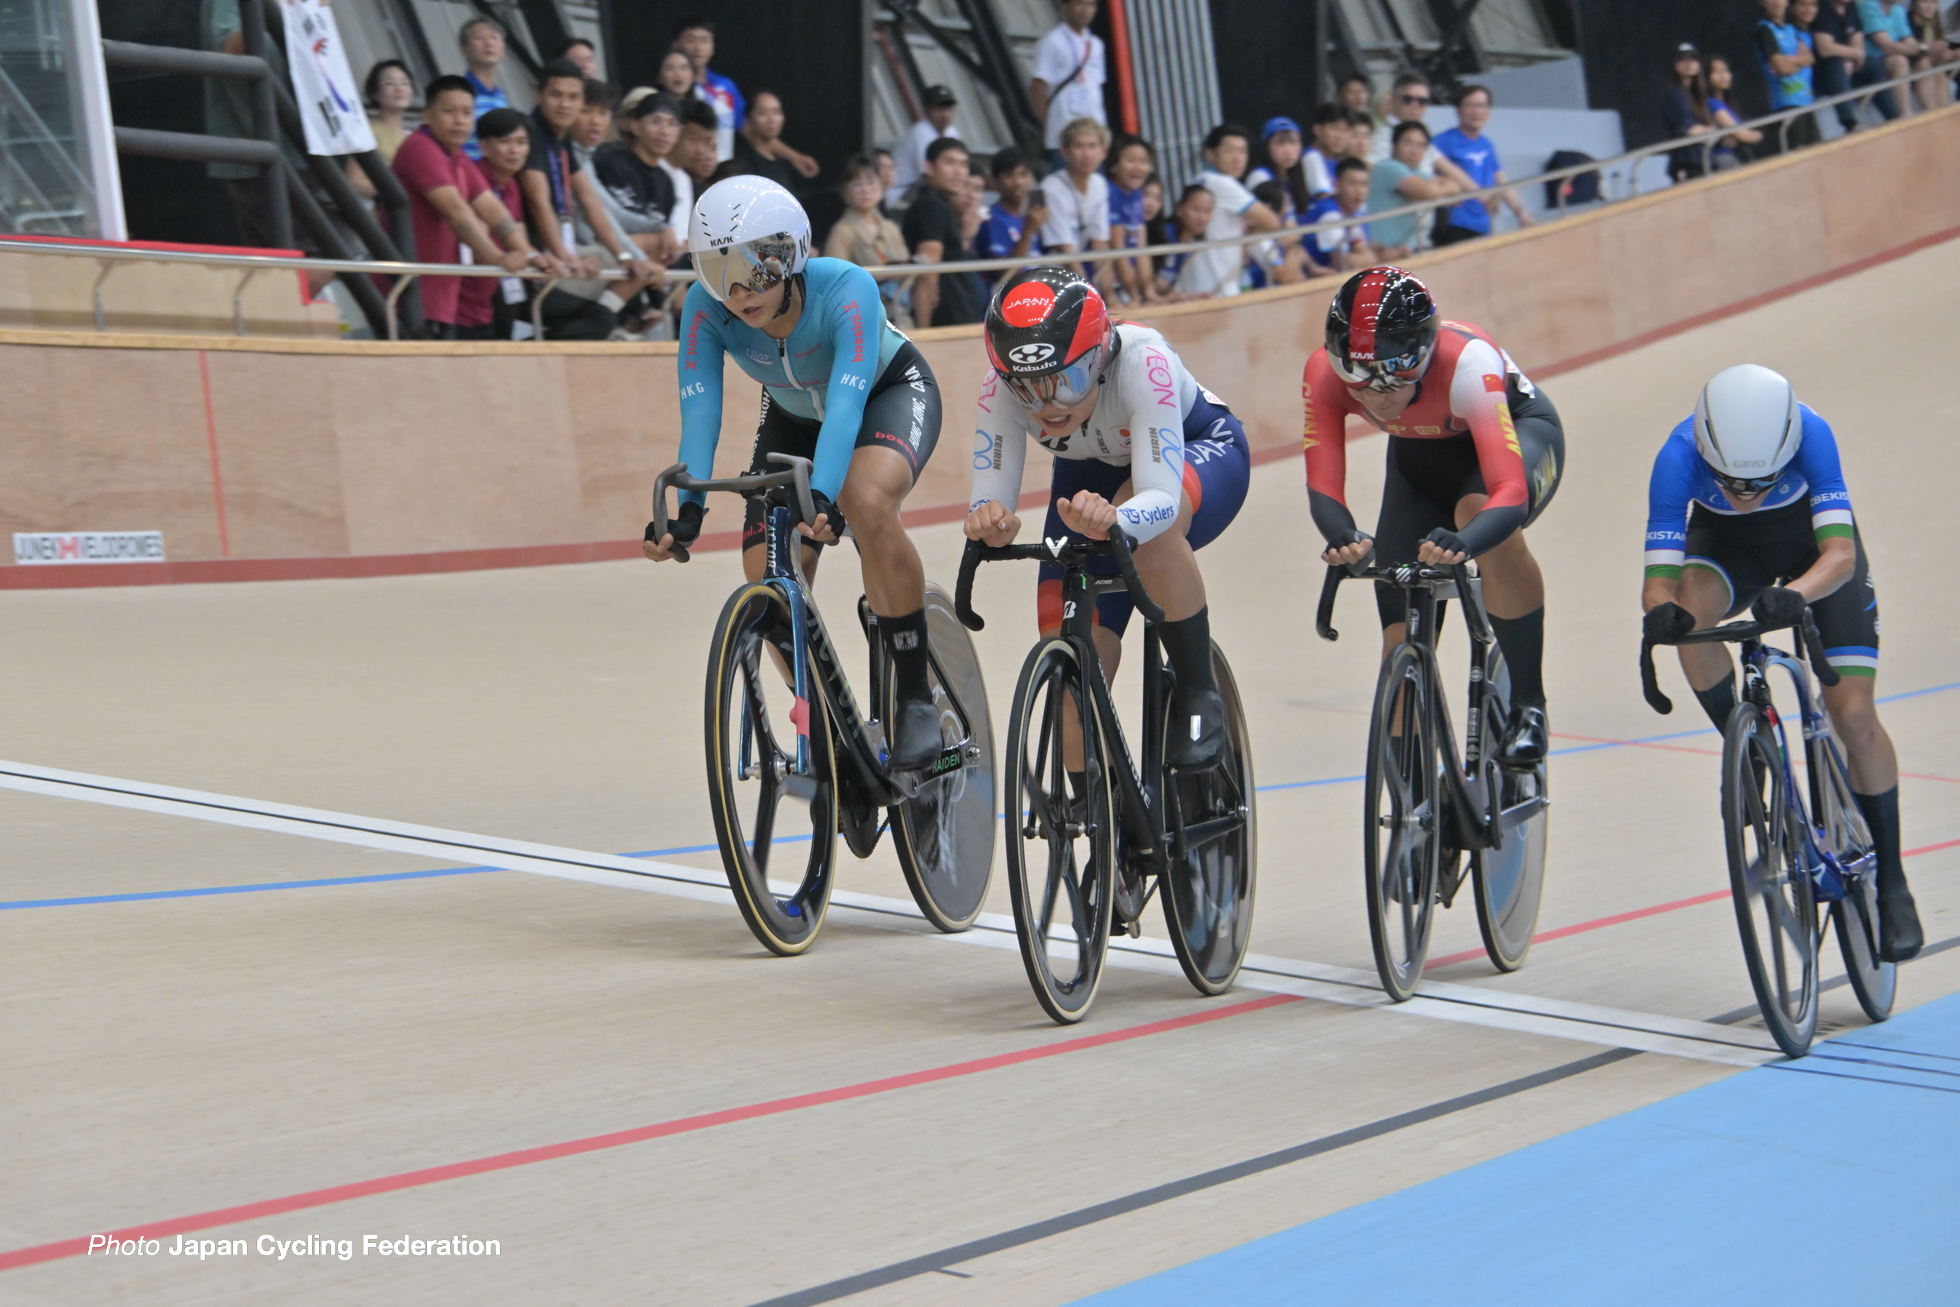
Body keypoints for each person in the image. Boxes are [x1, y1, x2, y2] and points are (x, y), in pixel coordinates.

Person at [644, 177, 946, 769]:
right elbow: (700, 407)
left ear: (791, 254)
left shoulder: (846, 287)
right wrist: (688, 511)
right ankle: (826, 719)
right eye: (715, 270)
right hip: (791, 415)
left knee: (865, 500)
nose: (737, 290)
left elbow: (847, 403)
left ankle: (913, 696)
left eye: (755, 267)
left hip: (883, 393)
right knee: (766, 573)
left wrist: (828, 500)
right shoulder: (707, 308)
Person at [1640, 365, 1921, 961]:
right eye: (1733, 483)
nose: (1749, 494)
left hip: (1810, 552)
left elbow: (1840, 555)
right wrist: (1663, 615)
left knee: (1854, 718)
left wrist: (1799, 593)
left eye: (1763, 481)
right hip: (1726, 548)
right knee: (1691, 626)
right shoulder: (1677, 454)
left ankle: (1893, 883)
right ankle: (1751, 754)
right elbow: (1658, 581)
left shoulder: (1814, 433)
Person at [966, 267, 1252, 768]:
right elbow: (988, 498)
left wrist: (1119, 518)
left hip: (1196, 451)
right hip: (1088, 483)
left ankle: (1197, 689)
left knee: (1149, 531)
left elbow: (1158, 495)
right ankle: (1107, 822)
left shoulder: (1144, 360)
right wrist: (991, 522)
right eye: (1026, 388)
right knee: (1069, 675)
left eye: (1067, 380)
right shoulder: (999, 389)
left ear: (1099, 358)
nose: (1048, 404)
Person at [1307, 266, 1563, 765]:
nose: (1374, 392)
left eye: (1392, 372)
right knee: (1398, 633)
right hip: (1418, 460)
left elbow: (1508, 490)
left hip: (1518, 438)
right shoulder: (1323, 371)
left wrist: (1470, 540)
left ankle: (1530, 707)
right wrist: (1343, 535)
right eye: (1356, 374)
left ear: (1424, 353)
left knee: (1479, 515)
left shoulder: (1469, 364)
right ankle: (1414, 799)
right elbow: (1323, 483)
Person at [391, 77, 538, 338]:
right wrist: (497, 259)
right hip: (412, 294)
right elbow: (457, 213)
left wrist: (529, 255)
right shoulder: (420, 148)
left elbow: (491, 209)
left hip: (440, 295)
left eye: (467, 113)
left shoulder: (457, 156)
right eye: (450, 112)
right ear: (427, 115)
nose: (460, 120)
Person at [518, 60, 659, 326]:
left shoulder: (560, 140)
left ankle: (608, 321)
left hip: (556, 251)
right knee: (611, 287)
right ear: (538, 94)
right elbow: (538, 202)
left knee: (627, 264)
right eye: (556, 95)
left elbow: (590, 200)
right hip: (534, 259)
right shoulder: (531, 133)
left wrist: (624, 256)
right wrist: (566, 258)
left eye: (573, 97)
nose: (564, 104)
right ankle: (611, 322)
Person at [468, 107, 614, 341]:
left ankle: (525, 356)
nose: (515, 150)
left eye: (522, 142)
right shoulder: (472, 177)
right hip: (480, 284)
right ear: (484, 146)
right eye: (505, 142)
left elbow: (520, 242)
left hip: (513, 279)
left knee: (599, 318)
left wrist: (553, 262)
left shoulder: (514, 185)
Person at [1186, 123, 1282, 299]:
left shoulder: (1200, 179)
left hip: (1198, 286)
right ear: (1210, 154)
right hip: (1216, 290)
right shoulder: (1222, 183)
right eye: (1229, 151)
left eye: (1242, 151)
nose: (1237, 158)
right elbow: (1272, 222)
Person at [1430, 85, 1535, 243]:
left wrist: (1520, 212)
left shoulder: (1486, 145)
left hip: (1482, 226)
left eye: (1482, 106)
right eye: (1470, 105)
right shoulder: (1442, 141)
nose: (1476, 111)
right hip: (1453, 225)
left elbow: (1501, 180)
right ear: (1457, 110)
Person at [901, 137, 985, 326]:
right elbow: (927, 270)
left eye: (963, 164)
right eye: (949, 162)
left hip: (958, 316)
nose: (958, 172)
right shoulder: (931, 206)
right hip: (945, 322)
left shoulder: (941, 206)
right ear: (929, 168)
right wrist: (925, 336)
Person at [1367, 121, 1462, 257]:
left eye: (1421, 146)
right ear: (1394, 146)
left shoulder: (1414, 172)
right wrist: (1433, 190)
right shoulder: (1388, 167)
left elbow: (1455, 187)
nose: (1414, 151)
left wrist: (1432, 190)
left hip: (1403, 252)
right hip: (1379, 253)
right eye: (1408, 144)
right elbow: (1428, 192)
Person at [1037, 117, 1112, 281]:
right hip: (1050, 277)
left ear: (1103, 152)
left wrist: (1110, 295)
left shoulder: (1099, 184)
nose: (1087, 154)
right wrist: (1087, 296)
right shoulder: (1051, 188)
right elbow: (1065, 250)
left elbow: (1100, 243)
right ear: (1064, 152)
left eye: (1093, 146)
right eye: (1079, 146)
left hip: (1080, 274)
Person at [1032, 0, 1106, 159]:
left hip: (1092, 131)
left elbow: (1096, 86)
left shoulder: (1096, 44)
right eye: (1079, 4)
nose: (1085, 10)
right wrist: (1047, 123)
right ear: (1066, 6)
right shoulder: (1052, 41)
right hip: (1063, 131)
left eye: (1090, 5)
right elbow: (1038, 85)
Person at [971, 145, 1047, 292]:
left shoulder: (1030, 217)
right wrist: (1027, 232)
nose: (1018, 182)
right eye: (1009, 176)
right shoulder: (990, 220)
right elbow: (1006, 273)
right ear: (995, 181)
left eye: (1024, 174)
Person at [675, 15, 745, 160]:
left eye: (705, 41)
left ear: (712, 48)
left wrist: (793, 156)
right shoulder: (672, 87)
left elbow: (748, 129)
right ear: (676, 45)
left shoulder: (726, 86)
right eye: (690, 40)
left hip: (722, 171)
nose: (698, 47)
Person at [1758, 0, 1821, 148]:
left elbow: (1810, 58)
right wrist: (1798, 61)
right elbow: (1781, 68)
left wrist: (1790, 61)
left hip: (1806, 100)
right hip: (1786, 103)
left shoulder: (1791, 30)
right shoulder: (1765, 29)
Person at [1812, 0, 1884, 128]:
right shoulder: (1823, 7)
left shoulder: (1851, 7)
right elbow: (1825, 49)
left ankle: (1895, 117)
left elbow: (1859, 49)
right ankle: (1849, 124)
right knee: (1836, 63)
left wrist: (1850, 58)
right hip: (1821, 73)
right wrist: (1850, 57)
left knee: (1872, 64)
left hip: (1850, 68)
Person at [1104, 136, 1156, 304]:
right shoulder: (1109, 193)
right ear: (1114, 165)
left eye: (1143, 161)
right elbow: (1118, 249)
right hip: (1105, 283)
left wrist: (1149, 294)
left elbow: (1141, 248)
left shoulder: (1136, 194)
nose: (1138, 167)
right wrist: (1135, 296)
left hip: (1126, 284)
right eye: (1130, 160)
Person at [890, 85, 961, 206]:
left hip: (920, 192)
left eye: (948, 109)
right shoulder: (921, 132)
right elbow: (929, 175)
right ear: (926, 111)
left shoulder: (952, 132)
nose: (944, 114)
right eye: (939, 110)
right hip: (900, 194)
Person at [734, 91, 821, 190]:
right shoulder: (742, 164)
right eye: (762, 113)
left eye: (776, 112)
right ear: (748, 119)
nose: (772, 120)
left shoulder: (785, 162)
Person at [1302, 158, 1372, 275]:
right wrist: (1366, 258)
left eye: (1363, 184)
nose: (1359, 191)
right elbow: (1341, 262)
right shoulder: (1328, 213)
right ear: (1337, 185)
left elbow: (1365, 253)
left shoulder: (1354, 212)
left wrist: (1366, 258)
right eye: (1352, 184)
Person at [1661, 44, 1719, 181]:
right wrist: (1707, 131)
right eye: (1683, 59)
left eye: (1693, 59)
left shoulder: (1700, 97)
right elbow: (1689, 130)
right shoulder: (1674, 95)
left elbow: (1712, 128)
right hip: (1688, 163)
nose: (1688, 63)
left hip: (1705, 160)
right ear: (1675, 65)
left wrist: (1707, 130)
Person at [458, 15, 509, 161]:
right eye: (479, 38)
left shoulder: (500, 96)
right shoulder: (461, 93)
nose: (488, 43)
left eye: (494, 37)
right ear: (464, 49)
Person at [1154, 183, 1214, 299]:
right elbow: (1151, 279)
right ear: (1179, 209)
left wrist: (1188, 296)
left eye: (1207, 211)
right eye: (1196, 209)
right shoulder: (1164, 234)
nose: (1201, 217)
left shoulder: (1190, 244)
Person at [1248, 117, 1312, 221]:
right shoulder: (1260, 177)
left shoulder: (1295, 177)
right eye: (1280, 143)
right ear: (1266, 147)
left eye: (1293, 143)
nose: (1288, 150)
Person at [1705, 57, 1765, 167]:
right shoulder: (1711, 103)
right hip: (1724, 158)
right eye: (1717, 72)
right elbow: (1742, 135)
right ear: (1707, 77)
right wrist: (1759, 135)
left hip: (1737, 155)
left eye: (1725, 70)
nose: (1723, 75)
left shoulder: (1728, 104)